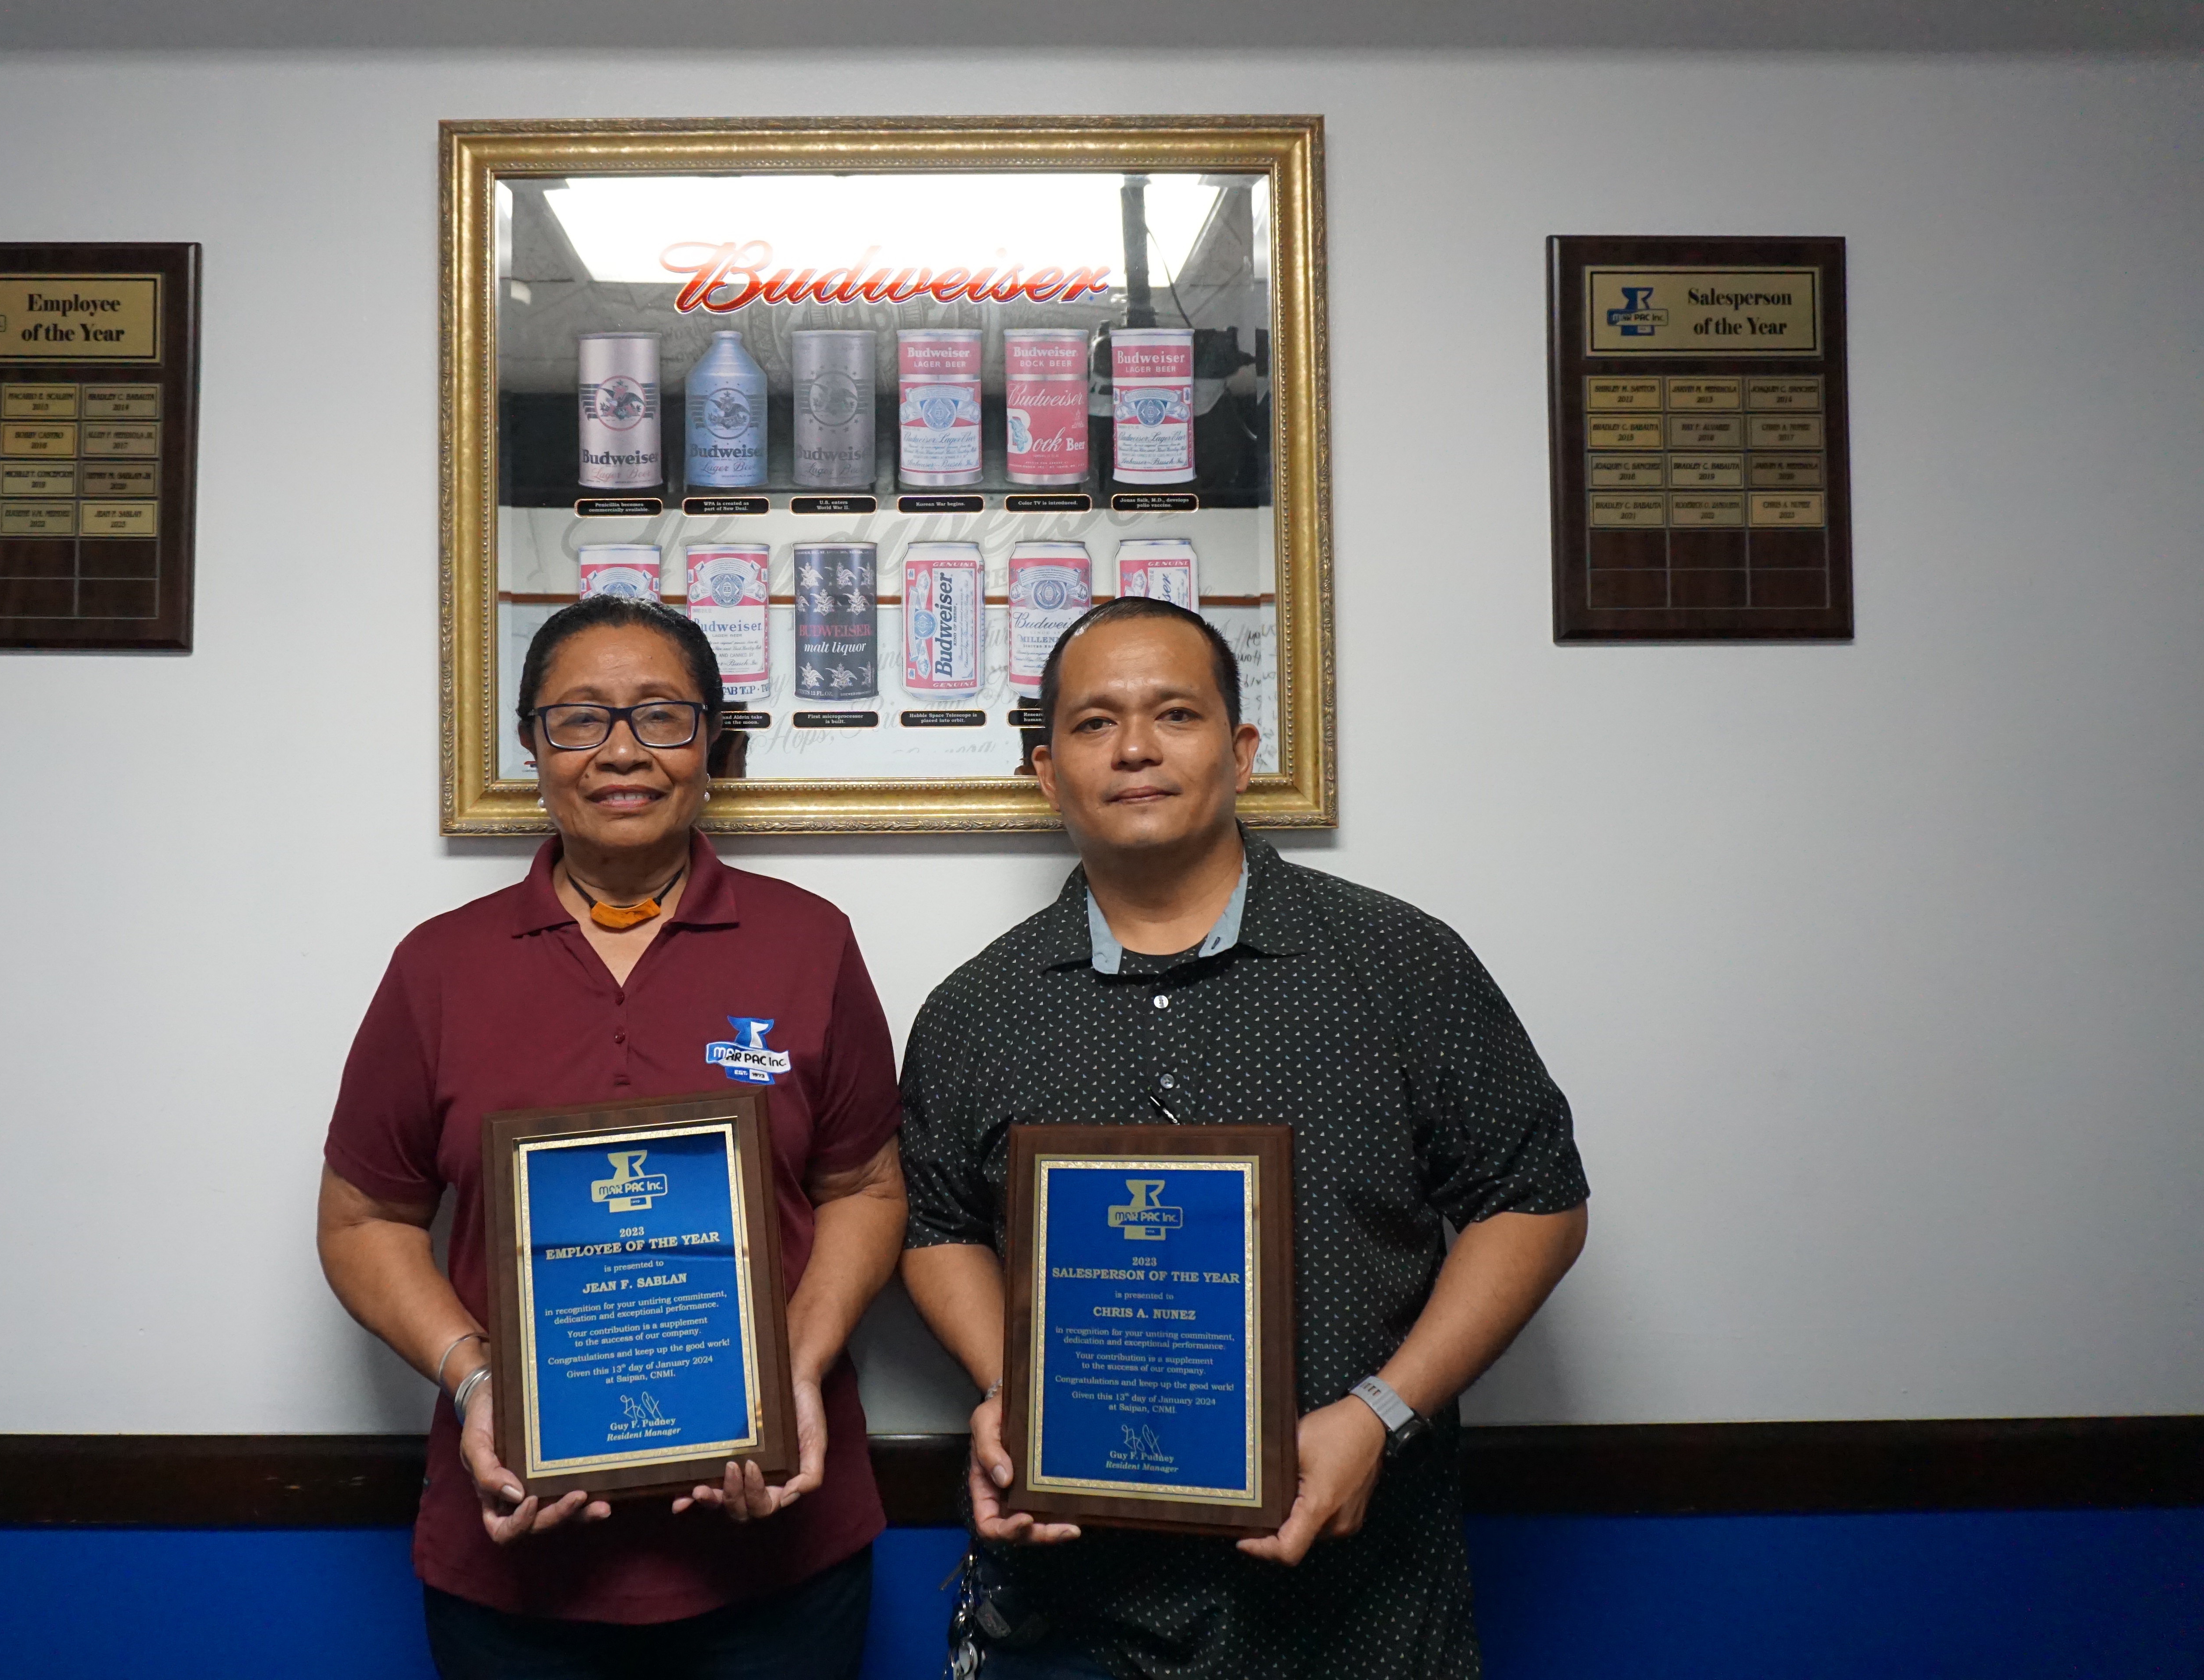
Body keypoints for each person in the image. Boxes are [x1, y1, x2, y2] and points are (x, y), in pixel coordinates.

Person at [898, 597, 1590, 1680]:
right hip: (1077, 1615)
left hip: (1364, 1614)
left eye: (1175, 713)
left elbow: (1534, 1198)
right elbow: (938, 1226)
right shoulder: (977, 1010)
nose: (1135, 746)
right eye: (1094, 722)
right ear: (1046, 771)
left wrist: (1379, 1415)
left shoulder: (1400, 962)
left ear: (1243, 749)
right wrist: (1019, 1398)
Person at [318, 595, 908, 1680]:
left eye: (661, 715)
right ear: (533, 746)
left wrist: (796, 1367)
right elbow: (364, 1218)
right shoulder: (439, 965)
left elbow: (865, 1185)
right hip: (517, 1559)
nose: (622, 751)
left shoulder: (809, 941)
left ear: (712, 743)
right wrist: (476, 1382)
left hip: (777, 1549)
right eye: (581, 718)